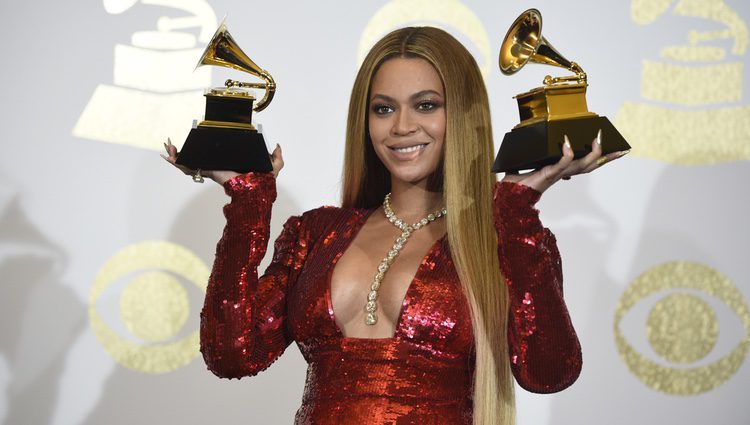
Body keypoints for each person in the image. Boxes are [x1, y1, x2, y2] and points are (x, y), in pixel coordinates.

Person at [163, 26, 627, 425]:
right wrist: (248, 202)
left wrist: (517, 209)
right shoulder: (315, 233)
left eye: (425, 105)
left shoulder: (506, 239)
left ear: (462, 115)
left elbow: (548, 372)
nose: (402, 126)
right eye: (383, 109)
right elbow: (232, 353)